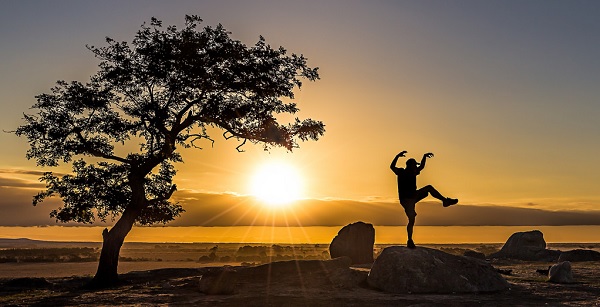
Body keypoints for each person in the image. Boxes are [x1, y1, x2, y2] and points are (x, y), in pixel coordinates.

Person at [390, 151, 458, 248]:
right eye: (414, 166)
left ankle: (445, 201)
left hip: (412, 197)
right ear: (411, 166)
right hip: (407, 201)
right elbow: (392, 166)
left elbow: (421, 166)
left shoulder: (410, 172)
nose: (416, 169)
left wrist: (424, 157)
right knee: (412, 219)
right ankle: (409, 240)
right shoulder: (402, 172)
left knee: (428, 189)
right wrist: (397, 156)